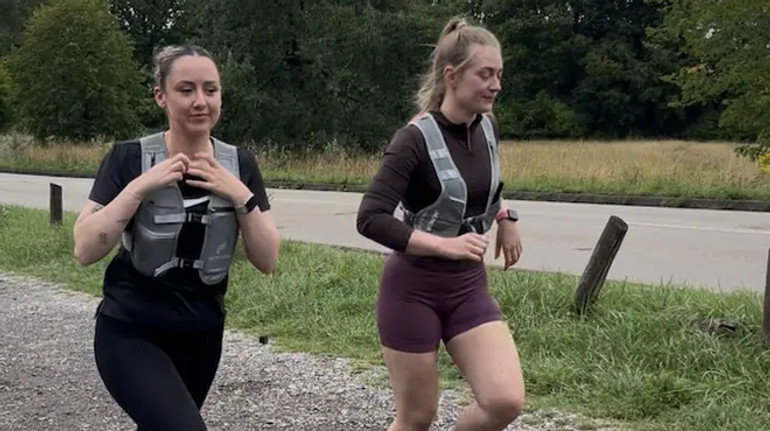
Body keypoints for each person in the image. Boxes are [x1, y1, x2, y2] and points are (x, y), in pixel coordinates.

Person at [72, 44, 279, 431]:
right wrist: (137, 189)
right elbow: (84, 249)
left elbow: (266, 259)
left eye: (211, 90)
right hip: (131, 330)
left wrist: (239, 194)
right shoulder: (129, 159)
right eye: (186, 90)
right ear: (160, 96)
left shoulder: (240, 165)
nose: (201, 101)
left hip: (201, 334)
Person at [356, 17, 525, 431]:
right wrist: (443, 245)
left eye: (499, 74)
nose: (496, 84)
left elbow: (478, 186)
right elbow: (370, 217)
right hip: (412, 291)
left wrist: (504, 216)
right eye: (485, 74)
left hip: (467, 288)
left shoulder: (487, 128)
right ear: (451, 76)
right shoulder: (412, 139)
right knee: (416, 418)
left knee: (504, 401)